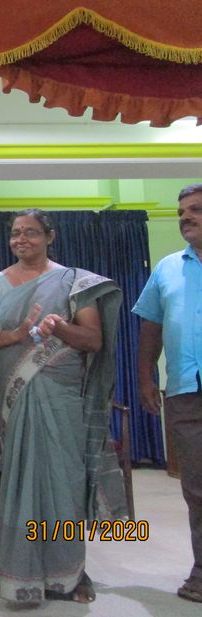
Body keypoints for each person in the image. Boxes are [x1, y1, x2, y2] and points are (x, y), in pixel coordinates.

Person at [0, 208, 125, 607]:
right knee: (20, 479)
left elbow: (93, 340)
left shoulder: (73, 282)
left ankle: (69, 571)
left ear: (50, 236)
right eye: (16, 233)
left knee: (63, 480)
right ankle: (15, 565)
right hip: (15, 396)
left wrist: (59, 327)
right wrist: (16, 334)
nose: (21, 239)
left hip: (61, 395)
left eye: (31, 232)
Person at [133, 184, 202, 604]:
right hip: (186, 392)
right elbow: (151, 328)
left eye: (195, 210)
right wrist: (146, 378)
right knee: (196, 487)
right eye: (181, 212)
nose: (185, 217)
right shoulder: (167, 268)